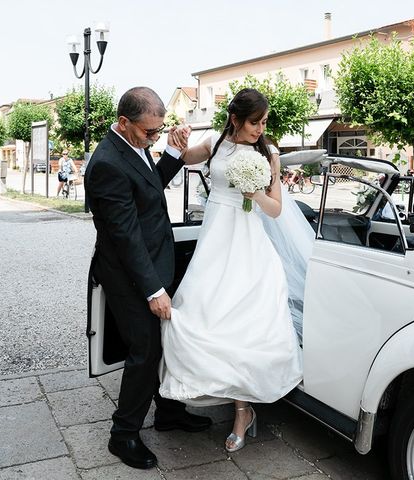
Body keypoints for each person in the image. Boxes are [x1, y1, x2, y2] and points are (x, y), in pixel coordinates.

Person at [159, 88, 309, 453]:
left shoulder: (269, 154)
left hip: (249, 245)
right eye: (255, 122)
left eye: (264, 122)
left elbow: (274, 209)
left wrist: (252, 191)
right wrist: (176, 140)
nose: (261, 128)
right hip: (215, 241)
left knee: (244, 323)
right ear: (235, 119)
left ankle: (243, 412)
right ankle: (207, 388)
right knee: (201, 310)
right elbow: (186, 157)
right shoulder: (216, 141)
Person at [85, 87, 211, 470]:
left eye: (159, 131)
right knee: (146, 350)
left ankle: (169, 412)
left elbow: (148, 187)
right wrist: (154, 289)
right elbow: (125, 236)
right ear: (124, 123)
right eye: (149, 133)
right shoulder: (106, 162)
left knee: (164, 343)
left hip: (152, 261)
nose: (154, 138)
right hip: (129, 273)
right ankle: (123, 434)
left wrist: (172, 153)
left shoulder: (131, 144)